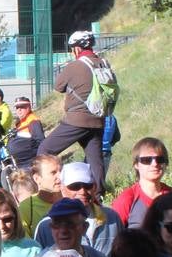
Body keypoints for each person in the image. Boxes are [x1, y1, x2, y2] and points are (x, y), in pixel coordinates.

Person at [38, 30, 115, 187]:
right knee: (95, 159)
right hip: (98, 120)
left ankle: (50, 187)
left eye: (71, 49)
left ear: (77, 49)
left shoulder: (76, 65)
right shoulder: (103, 63)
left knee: (45, 150)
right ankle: (98, 194)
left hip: (77, 120)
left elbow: (58, 86)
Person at [33, 161, 123, 257]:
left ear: (95, 187)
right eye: (75, 187)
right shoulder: (45, 226)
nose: (82, 191)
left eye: (87, 186)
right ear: (62, 188)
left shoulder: (112, 217)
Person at [32, 198, 112, 257]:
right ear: (51, 228)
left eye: (70, 224)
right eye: (57, 224)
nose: (63, 231)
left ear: (84, 227)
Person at [19, 154, 62, 236]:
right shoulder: (26, 208)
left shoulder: (69, 196)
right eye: (53, 173)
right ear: (37, 178)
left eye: (61, 171)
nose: (60, 176)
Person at [7, 96, 46, 169]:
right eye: (17, 108)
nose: (19, 110)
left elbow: (40, 141)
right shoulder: (20, 122)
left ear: (29, 107)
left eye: (22, 107)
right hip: (19, 161)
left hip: (27, 162)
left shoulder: (33, 121)